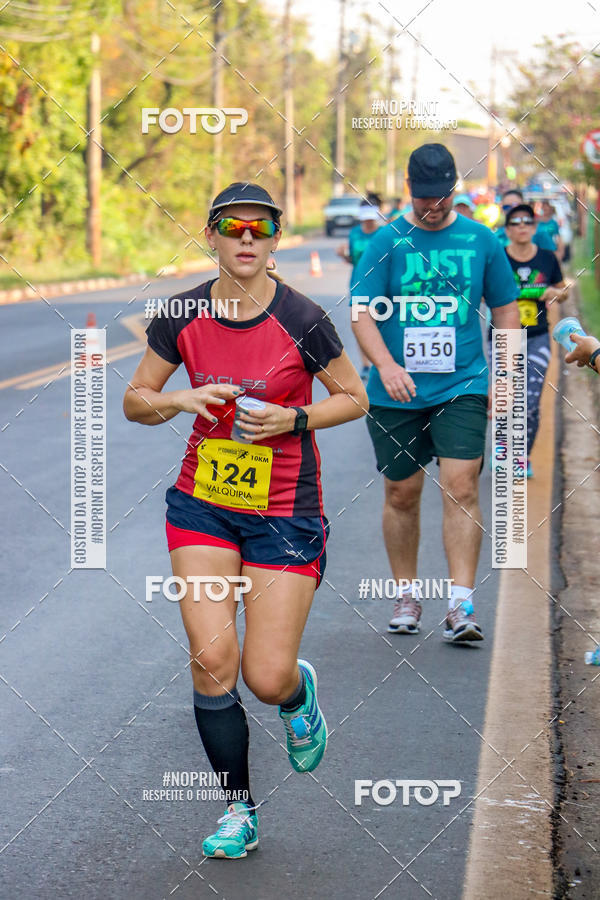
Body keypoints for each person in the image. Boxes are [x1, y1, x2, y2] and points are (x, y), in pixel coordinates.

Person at [123, 182, 368, 859]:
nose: (247, 239)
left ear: (276, 239)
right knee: (211, 658)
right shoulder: (182, 315)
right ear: (213, 236)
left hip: (285, 513)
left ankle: (296, 696)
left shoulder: (305, 318)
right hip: (202, 505)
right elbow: (134, 401)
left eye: (261, 228)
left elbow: (355, 397)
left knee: (264, 675)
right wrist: (181, 398)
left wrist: (296, 417)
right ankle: (239, 810)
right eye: (234, 227)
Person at [351, 143, 520, 641]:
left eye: (442, 197)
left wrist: (503, 376)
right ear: (410, 190)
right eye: (425, 198)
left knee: (463, 486)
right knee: (401, 492)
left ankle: (460, 606)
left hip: (462, 383)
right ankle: (406, 595)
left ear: (455, 189)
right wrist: (385, 365)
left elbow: (506, 308)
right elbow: (362, 311)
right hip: (394, 391)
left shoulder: (481, 241)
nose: (434, 206)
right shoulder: (385, 243)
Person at [490, 203, 568, 478]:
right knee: (504, 399)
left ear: (534, 228)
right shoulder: (498, 258)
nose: (521, 226)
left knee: (531, 402)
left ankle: (522, 455)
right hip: (502, 339)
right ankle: (502, 450)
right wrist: (527, 292)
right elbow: (486, 295)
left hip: (537, 338)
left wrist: (552, 293)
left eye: (527, 222)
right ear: (507, 230)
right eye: (515, 222)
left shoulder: (547, 258)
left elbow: (562, 291)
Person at [337, 201, 382, 380]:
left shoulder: (383, 234)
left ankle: (381, 362)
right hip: (358, 283)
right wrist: (343, 255)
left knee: (380, 324)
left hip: (380, 284)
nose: (368, 222)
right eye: (365, 219)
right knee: (360, 322)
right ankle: (366, 365)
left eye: (371, 219)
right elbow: (353, 259)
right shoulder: (355, 233)